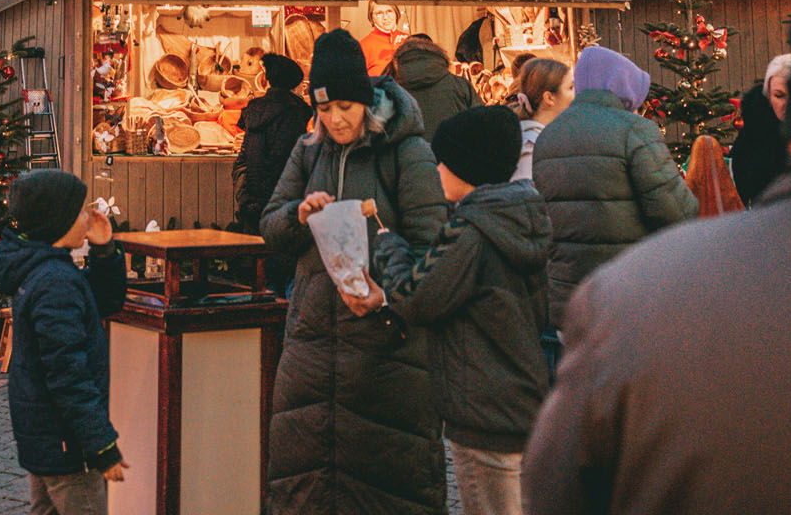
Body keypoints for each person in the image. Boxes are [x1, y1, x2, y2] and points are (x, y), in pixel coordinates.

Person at [521, 91, 791, 514]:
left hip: (588, 287)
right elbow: (674, 204)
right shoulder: (635, 133)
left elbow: (558, 485)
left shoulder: (634, 296)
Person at [260, 26, 448, 514]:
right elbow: (271, 227)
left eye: (344, 106)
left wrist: (386, 296)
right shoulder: (309, 151)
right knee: (308, 484)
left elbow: (434, 253)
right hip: (312, 344)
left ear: (366, 99)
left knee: (386, 491)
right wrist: (298, 214)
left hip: (387, 352)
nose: (335, 119)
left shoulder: (408, 153)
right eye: (324, 109)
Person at [361, 104, 552, 515]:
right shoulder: (522, 215)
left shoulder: (471, 230)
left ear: (466, 165)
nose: (436, 170)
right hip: (520, 398)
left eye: (442, 161)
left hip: (483, 412)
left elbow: (418, 297)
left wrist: (388, 246)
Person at [530, 45, 696, 331]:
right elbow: (676, 212)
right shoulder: (634, 130)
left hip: (568, 298)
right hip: (628, 292)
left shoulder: (548, 136)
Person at [0, 168, 128, 514]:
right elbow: (69, 376)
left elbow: (105, 300)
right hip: (68, 445)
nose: (89, 216)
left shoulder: (49, 271)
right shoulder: (55, 282)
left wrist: (104, 251)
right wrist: (100, 446)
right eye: (80, 211)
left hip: (49, 439)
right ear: (56, 222)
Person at [230, 51, 309, 241]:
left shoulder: (254, 108)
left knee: (252, 255)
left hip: (252, 196)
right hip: (282, 196)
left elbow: (245, 154)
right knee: (278, 257)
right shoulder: (297, 111)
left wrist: (244, 196)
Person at [729, 51, 791, 205]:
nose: (787, 105)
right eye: (779, 95)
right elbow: (739, 190)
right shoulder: (752, 134)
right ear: (768, 95)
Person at [392, 33, 475, 137]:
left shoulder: (393, 92)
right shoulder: (459, 84)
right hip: (456, 150)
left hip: (415, 151)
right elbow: (481, 122)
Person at [510, 57, 573, 182]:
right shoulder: (530, 148)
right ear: (549, 98)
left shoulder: (549, 137)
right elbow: (525, 196)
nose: (576, 94)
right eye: (571, 87)